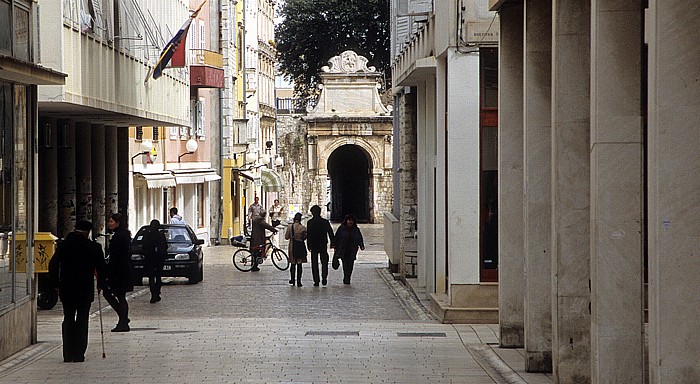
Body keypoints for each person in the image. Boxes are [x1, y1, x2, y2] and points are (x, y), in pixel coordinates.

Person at [48, 220, 107, 363]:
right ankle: (79, 354)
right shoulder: (94, 247)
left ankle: (68, 354)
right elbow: (102, 267)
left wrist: (55, 283)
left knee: (68, 318)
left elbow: (53, 264)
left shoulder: (64, 245)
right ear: (88, 232)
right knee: (82, 319)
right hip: (84, 289)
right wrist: (100, 284)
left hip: (66, 288)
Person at [102, 213, 133, 332]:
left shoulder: (119, 237)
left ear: (118, 223)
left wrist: (108, 272)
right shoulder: (123, 235)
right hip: (123, 269)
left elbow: (115, 257)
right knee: (120, 296)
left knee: (117, 295)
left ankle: (123, 319)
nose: (110, 224)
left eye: (111, 221)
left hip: (119, 271)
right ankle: (123, 318)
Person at [306, 205, 335, 286]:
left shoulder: (310, 222)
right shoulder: (325, 222)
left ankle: (316, 280)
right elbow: (330, 232)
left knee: (314, 263)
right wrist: (333, 242)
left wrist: (308, 245)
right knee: (324, 262)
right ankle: (324, 278)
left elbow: (309, 235)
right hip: (323, 244)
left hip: (314, 245)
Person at [333, 214, 365, 284]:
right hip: (343, 249)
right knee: (345, 264)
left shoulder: (356, 229)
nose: (350, 222)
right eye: (349, 220)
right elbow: (337, 237)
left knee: (350, 264)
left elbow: (359, 237)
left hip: (352, 249)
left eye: (352, 221)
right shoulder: (341, 229)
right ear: (346, 221)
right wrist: (335, 246)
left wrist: (361, 245)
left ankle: (348, 277)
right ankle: (346, 277)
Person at [141, 219, 167, 303]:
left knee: (151, 277)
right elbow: (165, 246)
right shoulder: (160, 235)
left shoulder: (147, 234)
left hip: (149, 258)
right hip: (159, 259)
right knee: (158, 276)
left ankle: (153, 294)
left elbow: (143, 246)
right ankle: (157, 293)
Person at [285, 212, 307, 286]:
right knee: (299, 264)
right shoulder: (303, 228)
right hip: (300, 246)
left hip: (292, 246)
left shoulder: (290, 227)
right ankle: (299, 281)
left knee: (293, 264)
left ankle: (292, 279)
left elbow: (286, 237)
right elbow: (304, 237)